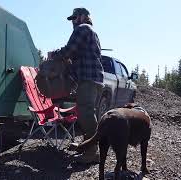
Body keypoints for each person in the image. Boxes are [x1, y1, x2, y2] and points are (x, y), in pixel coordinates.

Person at [48, 7, 104, 163]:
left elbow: (69, 50)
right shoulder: (91, 31)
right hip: (93, 78)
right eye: (72, 18)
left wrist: (54, 55)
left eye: (75, 17)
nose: (73, 21)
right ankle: (88, 147)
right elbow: (77, 56)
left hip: (88, 78)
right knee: (87, 113)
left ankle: (92, 152)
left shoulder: (82, 28)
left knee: (86, 113)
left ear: (83, 17)